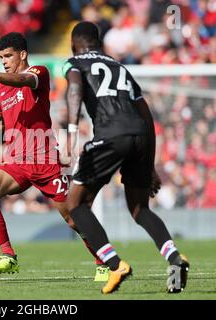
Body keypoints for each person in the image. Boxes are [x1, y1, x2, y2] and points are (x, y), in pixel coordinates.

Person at [0, 32, 107, 277]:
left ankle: (103, 261)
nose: (4, 61)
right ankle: (8, 254)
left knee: (72, 218)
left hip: (44, 161)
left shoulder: (38, 73)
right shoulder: (0, 89)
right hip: (17, 162)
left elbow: (21, 81)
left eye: (8, 56)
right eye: (0, 57)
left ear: (22, 54)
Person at [63, 21, 190, 294]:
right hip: (141, 136)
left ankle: (114, 264)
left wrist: (72, 130)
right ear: (99, 42)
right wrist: (150, 163)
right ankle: (174, 258)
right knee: (140, 209)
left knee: (75, 205)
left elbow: (74, 88)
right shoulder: (121, 67)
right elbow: (146, 115)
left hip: (110, 136)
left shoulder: (74, 63)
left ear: (75, 43)